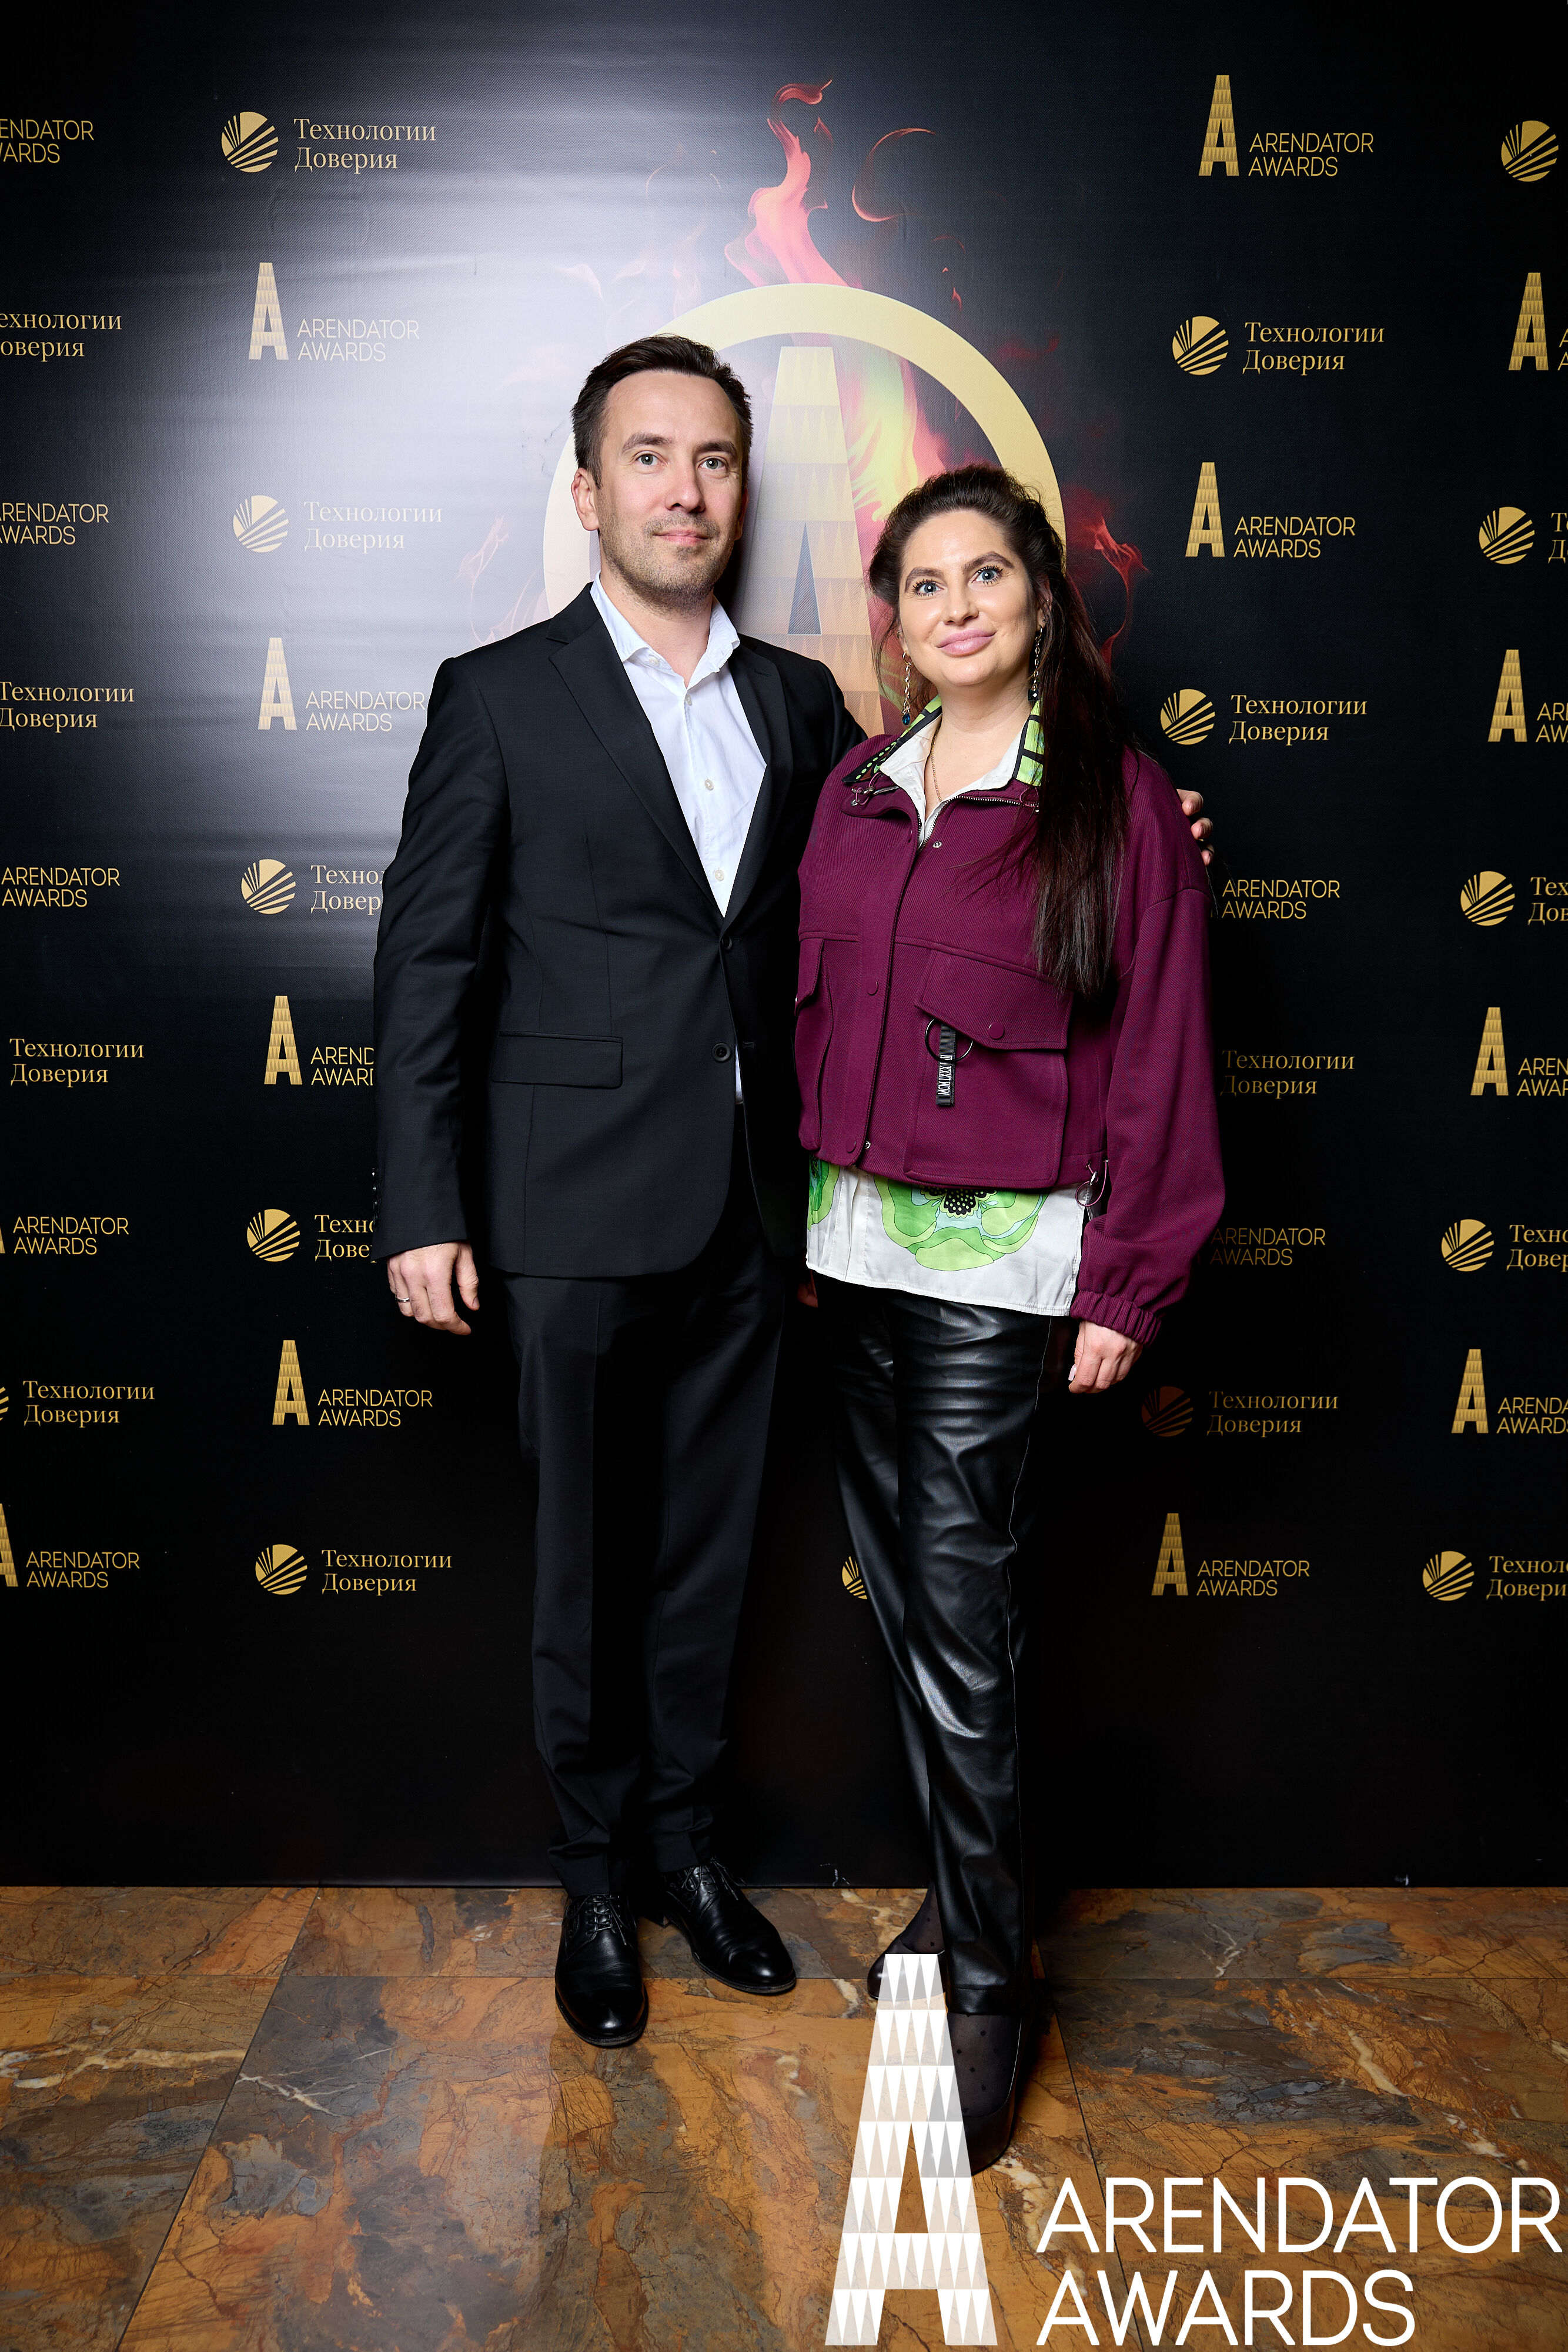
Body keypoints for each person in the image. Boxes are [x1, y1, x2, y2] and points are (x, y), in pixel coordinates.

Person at [373, 335, 1214, 2052]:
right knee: (580, 1568)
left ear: (743, 494)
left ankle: (689, 1852)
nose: (684, 490)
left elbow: (938, 884)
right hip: (560, 1217)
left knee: (707, 1566)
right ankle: (593, 1881)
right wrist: (421, 1204)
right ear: (589, 488)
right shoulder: (497, 694)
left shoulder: (805, 712)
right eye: (649, 456)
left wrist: (1151, 840)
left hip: (764, 1225)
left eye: (714, 460)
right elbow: (427, 965)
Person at [794, 463, 1224, 2169]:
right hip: (851, 1249)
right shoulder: (857, 789)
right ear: (893, 622)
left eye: (986, 575)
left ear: (1040, 598)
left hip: (1001, 1263)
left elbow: (1161, 1050)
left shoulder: (1116, 805)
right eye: (924, 583)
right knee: (914, 1610)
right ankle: (968, 1900)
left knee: (964, 1620)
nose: (955, 606)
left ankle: (990, 1984)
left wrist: (1128, 1275)